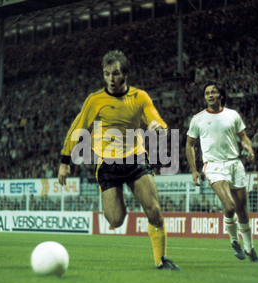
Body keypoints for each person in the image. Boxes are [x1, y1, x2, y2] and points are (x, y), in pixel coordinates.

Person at [57, 50, 179, 270]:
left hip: (136, 159)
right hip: (107, 164)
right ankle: (119, 196)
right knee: (115, 221)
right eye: (106, 74)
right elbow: (78, 128)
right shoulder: (95, 100)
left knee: (154, 210)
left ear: (125, 74)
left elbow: (156, 120)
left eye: (115, 74)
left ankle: (161, 260)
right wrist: (64, 162)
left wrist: (157, 127)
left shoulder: (140, 97)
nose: (110, 79)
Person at [185, 81, 258, 262]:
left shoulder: (232, 115)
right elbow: (189, 144)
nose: (210, 95)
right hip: (214, 165)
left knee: (242, 209)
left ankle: (249, 249)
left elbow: (243, 137)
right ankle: (234, 241)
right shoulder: (198, 119)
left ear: (221, 95)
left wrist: (248, 148)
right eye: (207, 93)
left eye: (213, 92)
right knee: (229, 206)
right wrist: (194, 170)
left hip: (234, 164)